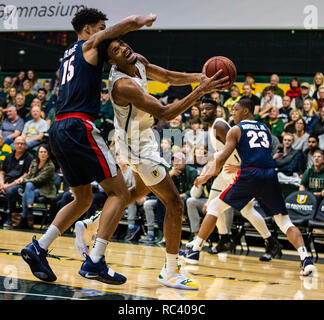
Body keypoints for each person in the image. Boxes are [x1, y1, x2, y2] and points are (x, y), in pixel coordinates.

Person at [73, 34, 229, 290]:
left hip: (143, 137)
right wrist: (201, 91)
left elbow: (167, 76)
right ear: (111, 61)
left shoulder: (138, 60)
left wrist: (197, 78)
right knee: (175, 203)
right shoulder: (123, 85)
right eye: (116, 49)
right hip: (136, 144)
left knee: (142, 189)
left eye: (122, 43)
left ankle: (93, 224)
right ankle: (170, 270)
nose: (124, 49)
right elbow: (166, 112)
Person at [21, 8, 159, 286]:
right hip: (79, 125)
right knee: (120, 193)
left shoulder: (68, 54)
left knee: (83, 199)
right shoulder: (89, 44)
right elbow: (126, 25)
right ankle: (95, 260)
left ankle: (39, 248)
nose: (104, 32)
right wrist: (142, 20)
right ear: (87, 29)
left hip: (58, 128)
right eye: (100, 27)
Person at [181, 99, 316, 276]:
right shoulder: (265, 129)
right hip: (269, 175)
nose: (233, 114)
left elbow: (221, 160)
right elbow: (261, 155)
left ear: (246, 111)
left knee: (213, 206)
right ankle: (305, 259)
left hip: (249, 176)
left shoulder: (236, 130)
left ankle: (194, 251)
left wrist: (204, 176)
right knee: (284, 221)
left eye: (236, 110)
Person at [183, 98, 282, 260]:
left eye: (208, 109)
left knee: (246, 210)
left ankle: (271, 241)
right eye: (202, 109)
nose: (204, 112)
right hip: (226, 172)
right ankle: (224, 239)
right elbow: (219, 156)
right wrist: (206, 173)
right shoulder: (211, 128)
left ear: (216, 111)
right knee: (213, 206)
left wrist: (240, 166)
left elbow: (239, 147)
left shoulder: (220, 125)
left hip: (238, 171)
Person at [14, 144, 56, 229]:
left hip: (45, 190)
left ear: (48, 154)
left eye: (45, 152)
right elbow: (29, 175)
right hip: (32, 188)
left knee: (27, 191)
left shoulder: (51, 166)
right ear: (38, 154)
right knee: (28, 188)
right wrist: (22, 180)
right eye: (41, 152)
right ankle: (29, 209)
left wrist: (23, 180)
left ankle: (24, 219)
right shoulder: (34, 162)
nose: (43, 154)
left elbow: (38, 179)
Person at [1, 136, 33, 227]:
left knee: (11, 191)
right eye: (17, 143)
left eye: (22, 143)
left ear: (25, 145)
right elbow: (2, 172)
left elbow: (26, 175)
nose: (19, 145)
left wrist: (8, 186)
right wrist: (2, 184)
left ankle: (10, 218)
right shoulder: (8, 156)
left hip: (19, 185)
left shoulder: (29, 157)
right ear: (14, 145)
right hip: (5, 183)